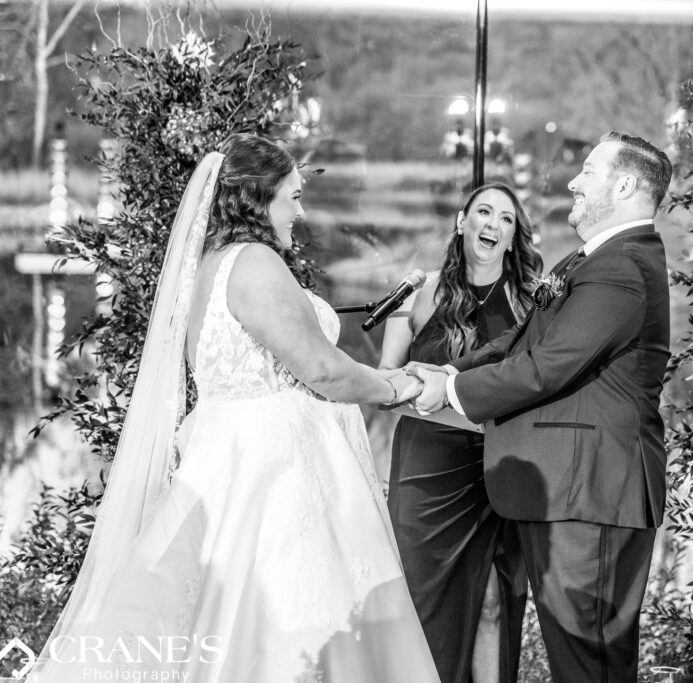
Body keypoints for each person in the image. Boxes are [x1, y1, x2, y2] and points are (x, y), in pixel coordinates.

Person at [28, 133, 440, 683]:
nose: (301, 209)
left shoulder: (213, 266)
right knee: (291, 623)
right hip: (276, 470)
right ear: (259, 197)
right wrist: (399, 387)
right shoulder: (256, 263)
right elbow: (320, 369)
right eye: (292, 196)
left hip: (231, 455)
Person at [411, 131, 672, 683]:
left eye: (590, 171)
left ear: (623, 184)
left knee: (589, 662)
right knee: (579, 660)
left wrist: (451, 395)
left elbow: (548, 366)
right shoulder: (593, 257)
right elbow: (521, 341)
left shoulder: (622, 266)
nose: (574, 181)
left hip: (592, 496)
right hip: (573, 493)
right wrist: (451, 370)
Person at [379, 182, 541, 683]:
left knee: (495, 602)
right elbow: (387, 380)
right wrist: (445, 401)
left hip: (496, 472)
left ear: (513, 237)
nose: (493, 224)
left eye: (506, 219)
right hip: (427, 475)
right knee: (422, 608)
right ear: (461, 221)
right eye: (483, 212)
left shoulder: (531, 303)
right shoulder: (420, 291)